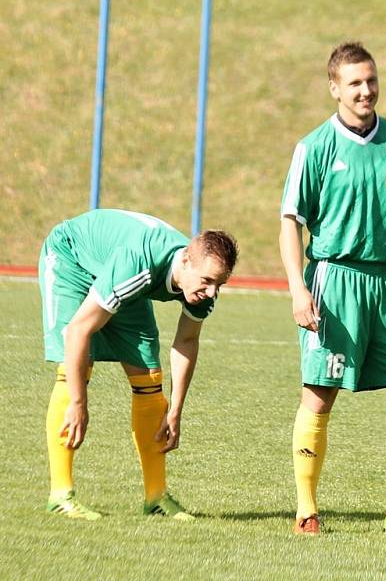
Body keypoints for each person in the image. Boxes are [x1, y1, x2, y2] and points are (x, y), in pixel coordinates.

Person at [280, 42, 386, 538]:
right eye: (354, 83)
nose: (365, 90)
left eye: (371, 80)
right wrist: (298, 289)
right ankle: (306, 508)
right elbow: (291, 223)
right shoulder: (314, 147)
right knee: (320, 395)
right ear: (334, 88)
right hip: (334, 279)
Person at [39, 208, 238, 520]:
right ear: (185, 260)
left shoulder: (201, 285)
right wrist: (79, 403)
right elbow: (78, 331)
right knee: (76, 368)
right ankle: (60, 495)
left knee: (149, 376)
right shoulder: (138, 266)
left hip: (119, 269)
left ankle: (156, 497)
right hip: (72, 260)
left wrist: (175, 410)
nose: (212, 292)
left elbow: (186, 342)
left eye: (220, 284)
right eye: (208, 281)